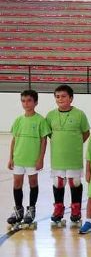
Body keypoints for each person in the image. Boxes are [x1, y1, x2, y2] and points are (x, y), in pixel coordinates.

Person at [46, 84, 90, 228]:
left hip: (73, 157)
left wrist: (74, 144)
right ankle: (58, 208)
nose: (60, 99)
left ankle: (76, 209)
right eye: (57, 97)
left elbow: (86, 133)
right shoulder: (50, 115)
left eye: (64, 96)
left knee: (74, 181)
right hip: (57, 157)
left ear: (71, 98)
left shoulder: (80, 114)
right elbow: (49, 134)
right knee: (58, 182)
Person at [7, 90, 50, 229]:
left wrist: (40, 159)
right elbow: (14, 140)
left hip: (32, 159)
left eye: (29, 100)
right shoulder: (18, 120)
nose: (26, 104)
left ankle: (31, 209)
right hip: (19, 158)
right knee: (17, 183)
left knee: (33, 182)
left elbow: (44, 141)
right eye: (23, 101)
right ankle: (18, 210)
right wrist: (11, 157)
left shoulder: (40, 120)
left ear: (35, 102)